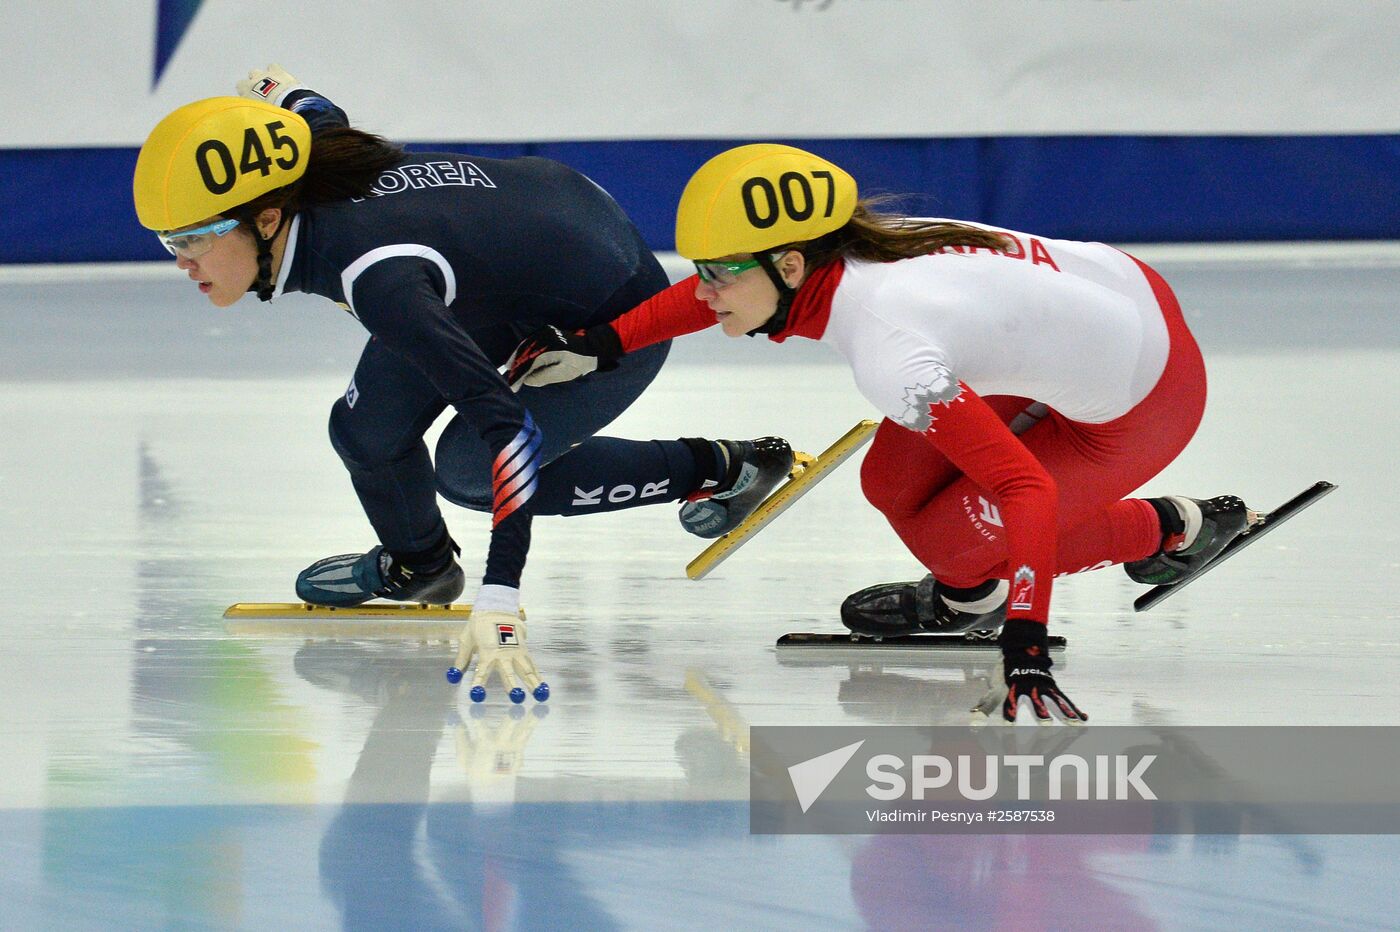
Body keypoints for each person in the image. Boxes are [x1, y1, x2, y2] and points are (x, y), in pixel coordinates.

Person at [507, 143, 1257, 722]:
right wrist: (603, 343)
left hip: (1145, 399)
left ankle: (1171, 530)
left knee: (951, 544)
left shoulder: (890, 349)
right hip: (1106, 304)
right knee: (889, 481)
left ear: (794, 263)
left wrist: (1025, 646)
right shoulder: (851, 246)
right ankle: (971, 596)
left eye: (718, 274)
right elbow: (732, 288)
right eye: (702, 273)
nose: (704, 294)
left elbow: (1023, 488)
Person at [131, 68, 797, 702]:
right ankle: (420, 566)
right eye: (168, 243)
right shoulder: (313, 165)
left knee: (472, 470)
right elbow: (314, 116)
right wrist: (280, 89)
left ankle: (726, 467)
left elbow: (507, 429)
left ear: (268, 219)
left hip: (608, 308)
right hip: (516, 256)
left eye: (192, 239)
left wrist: (499, 597)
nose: (183, 262)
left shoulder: (378, 278)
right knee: (365, 429)